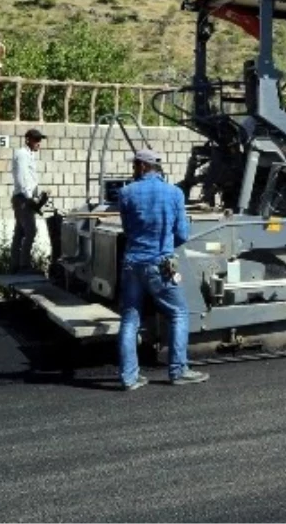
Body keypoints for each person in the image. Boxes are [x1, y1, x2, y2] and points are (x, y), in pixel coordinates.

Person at [117, 148, 207, 391]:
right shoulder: (175, 193)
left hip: (131, 264)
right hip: (159, 264)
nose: (133, 169)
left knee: (130, 319)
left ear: (145, 166)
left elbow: (126, 230)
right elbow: (182, 234)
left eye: (135, 165)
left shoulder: (125, 193)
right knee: (179, 313)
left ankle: (129, 377)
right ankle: (178, 370)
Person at [9, 128, 46, 273]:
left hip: (24, 198)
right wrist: (29, 197)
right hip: (23, 199)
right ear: (28, 140)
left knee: (20, 232)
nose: (38, 143)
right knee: (30, 231)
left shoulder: (29, 155)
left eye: (39, 140)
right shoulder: (22, 155)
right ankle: (24, 265)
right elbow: (22, 176)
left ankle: (14, 265)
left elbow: (31, 178)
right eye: (36, 140)